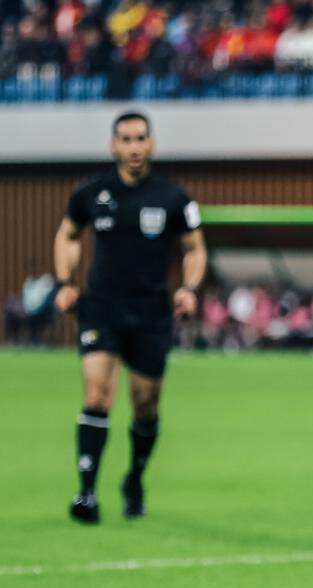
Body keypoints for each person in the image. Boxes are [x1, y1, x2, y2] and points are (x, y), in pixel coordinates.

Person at [53, 111, 206, 523]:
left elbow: (194, 249)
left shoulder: (173, 198)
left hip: (151, 314)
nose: (134, 147)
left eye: (140, 138)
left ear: (151, 144)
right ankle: (86, 493)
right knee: (97, 395)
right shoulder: (91, 193)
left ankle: (135, 478)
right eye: (126, 139)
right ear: (113, 145)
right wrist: (64, 281)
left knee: (145, 406)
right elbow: (68, 235)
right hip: (101, 308)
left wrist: (189, 289)